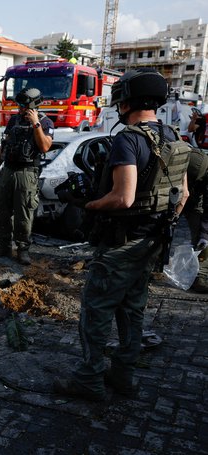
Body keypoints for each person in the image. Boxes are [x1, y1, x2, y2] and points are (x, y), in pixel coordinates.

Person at [53, 69, 191, 401]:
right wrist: (159, 225)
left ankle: (89, 380)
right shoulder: (174, 137)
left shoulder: (128, 139)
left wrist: (91, 204)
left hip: (121, 244)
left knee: (96, 310)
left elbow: (123, 197)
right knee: (132, 311)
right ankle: (124, 376)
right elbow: (182, 195)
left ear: (125, 101)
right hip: (150, 242)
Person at [0, 88, 54, 265]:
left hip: (27, 173)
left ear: (33, 106)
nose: (19, 109)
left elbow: (44, 147)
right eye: (19, 105)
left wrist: (36, 124)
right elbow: (5, 145)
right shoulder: (14, 120)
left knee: (23, 213)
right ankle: (4, 246)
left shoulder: (45, 122)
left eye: (23, 106)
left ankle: (22, 249)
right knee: (3, 211)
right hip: (8, 170)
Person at [183, 147, 208, 292]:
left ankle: (201, 275)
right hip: (190, 190)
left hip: (193, 191)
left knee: (202, 236)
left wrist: (204, 234)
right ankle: (200, 276)